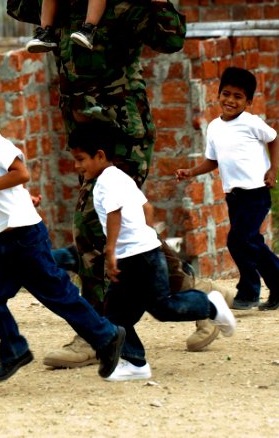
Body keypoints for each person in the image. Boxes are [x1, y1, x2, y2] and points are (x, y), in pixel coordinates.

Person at [7, 0, 193, 363]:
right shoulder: (60, 7)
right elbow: (17, 4)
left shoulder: (112, 5)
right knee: (126, 230)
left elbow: (171, 38)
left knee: (92, 227)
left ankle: (96, 333)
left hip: (122, 135)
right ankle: (187, 294)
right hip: (88, 140)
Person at [0, 93, 126, 382]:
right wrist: (11, 199)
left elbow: (21, 172)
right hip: (0, 238)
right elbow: (9, 187)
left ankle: (107, 335)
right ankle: (15, 348)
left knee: (56, 294)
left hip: (25, 236)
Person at [71, 121, 237, 380]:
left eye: (81, 159)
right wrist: (143, 235)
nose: (77, 166)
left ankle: (210, 305)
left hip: (137, 258)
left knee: (162, 308)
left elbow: (114, 214)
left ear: (100, 155)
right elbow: (146, 209)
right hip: (142, 254)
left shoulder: (105, 182)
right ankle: (135, 363)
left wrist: (112, 250)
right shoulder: (120, 176)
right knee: (116, 313)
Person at [175, 66, 279, 311]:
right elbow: (213, 160)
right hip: (234, 196)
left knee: (239, 239)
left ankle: (254, 290)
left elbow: (273, 139)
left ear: (248, 102)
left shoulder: (251, 123)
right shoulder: (214, 127)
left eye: (238, 97)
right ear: (218, 94)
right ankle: (276, 287)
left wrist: (273, 170)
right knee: (247, 241)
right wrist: (191, 171)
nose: (230, 100)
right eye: (226, 94)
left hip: (256, 193)